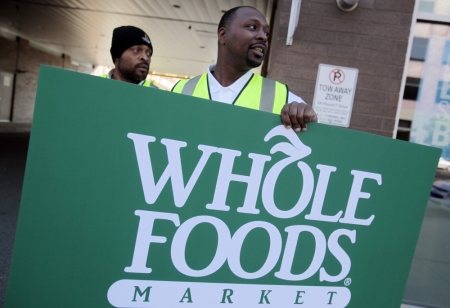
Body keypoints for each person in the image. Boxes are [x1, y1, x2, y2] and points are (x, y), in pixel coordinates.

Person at [172, 6, 317, 132]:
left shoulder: (285, 98)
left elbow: (318, 144)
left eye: (266, 33)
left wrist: (308, 119)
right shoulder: (181, 89)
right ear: (223, 35)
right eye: (252, 27)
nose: (263, 37)